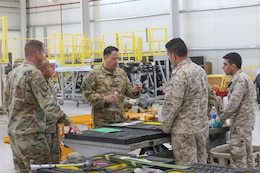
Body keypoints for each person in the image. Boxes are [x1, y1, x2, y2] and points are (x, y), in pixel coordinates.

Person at [3, 40, 83, 173]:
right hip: (31, 135)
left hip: (14, 133)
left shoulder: (13, 73)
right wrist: (69, 122)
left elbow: (7, 103)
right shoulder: (33, 74)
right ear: (37, 53)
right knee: (42, 169)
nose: (45, 56)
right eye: (44, 53)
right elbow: (48, 105)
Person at [156, 38, 209, 165]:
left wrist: (165, 127)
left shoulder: (180, 74)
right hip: (201, 128)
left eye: (168, 55)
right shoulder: (199, 70)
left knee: (187, 166)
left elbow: (172, 104)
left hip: (184, 131)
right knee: (201, 165)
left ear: (173, 55)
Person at [81, 46, 142, 128]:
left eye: (118, 59)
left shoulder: (121, 73)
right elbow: (87, 93)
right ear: (105, 58)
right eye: (114, 59)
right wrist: (104, 99)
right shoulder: (94, 74)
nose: (116, 61)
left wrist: (135, 91)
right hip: (102, 121)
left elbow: (128, 92)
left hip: (120, 118)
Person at [218, 52, 255, 168]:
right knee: (248, 158)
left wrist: (220, 119)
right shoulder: (242, 78)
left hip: (240, 125)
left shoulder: (240, 80)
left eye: (225, 64)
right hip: (244, 125)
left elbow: (233, 104)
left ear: (233, 66)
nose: (223, 67)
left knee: (239, 160)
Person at [37, 59, 61, 164]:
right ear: (42, 71)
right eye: (49, 67)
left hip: (54, 129)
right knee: (44, 161)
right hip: (44, 131)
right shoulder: (38, 86)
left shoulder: (49, 85)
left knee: (55, 160)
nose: (52, 69)